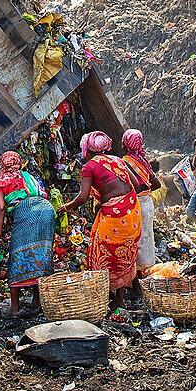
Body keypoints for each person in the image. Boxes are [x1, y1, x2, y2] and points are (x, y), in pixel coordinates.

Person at [58, 131, 141, 308]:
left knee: (103, 251)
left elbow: (82, 197)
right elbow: (138, 184)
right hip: (132, 212)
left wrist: (65, 207)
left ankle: (109, 295)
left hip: (114, 215)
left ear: (88, 149)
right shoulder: (118, 160)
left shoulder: (88, 167)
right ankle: (119, 296)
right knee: (124, 252)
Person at [0, 151, 55, 317]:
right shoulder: (28, 176)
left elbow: (1, 208)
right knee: (40, 255)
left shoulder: (0, 182)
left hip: (28, 212)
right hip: (47, 210)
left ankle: (14, 308)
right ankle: (36, 302)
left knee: (17, 257)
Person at [121, 129, 161, 273]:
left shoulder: (125, 162)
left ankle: (138, 274)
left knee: (135, 240)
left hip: (135, 205)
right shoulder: (143, 161)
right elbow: (157, 184)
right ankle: (147, 270)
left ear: (125, 144)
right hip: (148, 204)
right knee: (147, 237)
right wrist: (146, 192)